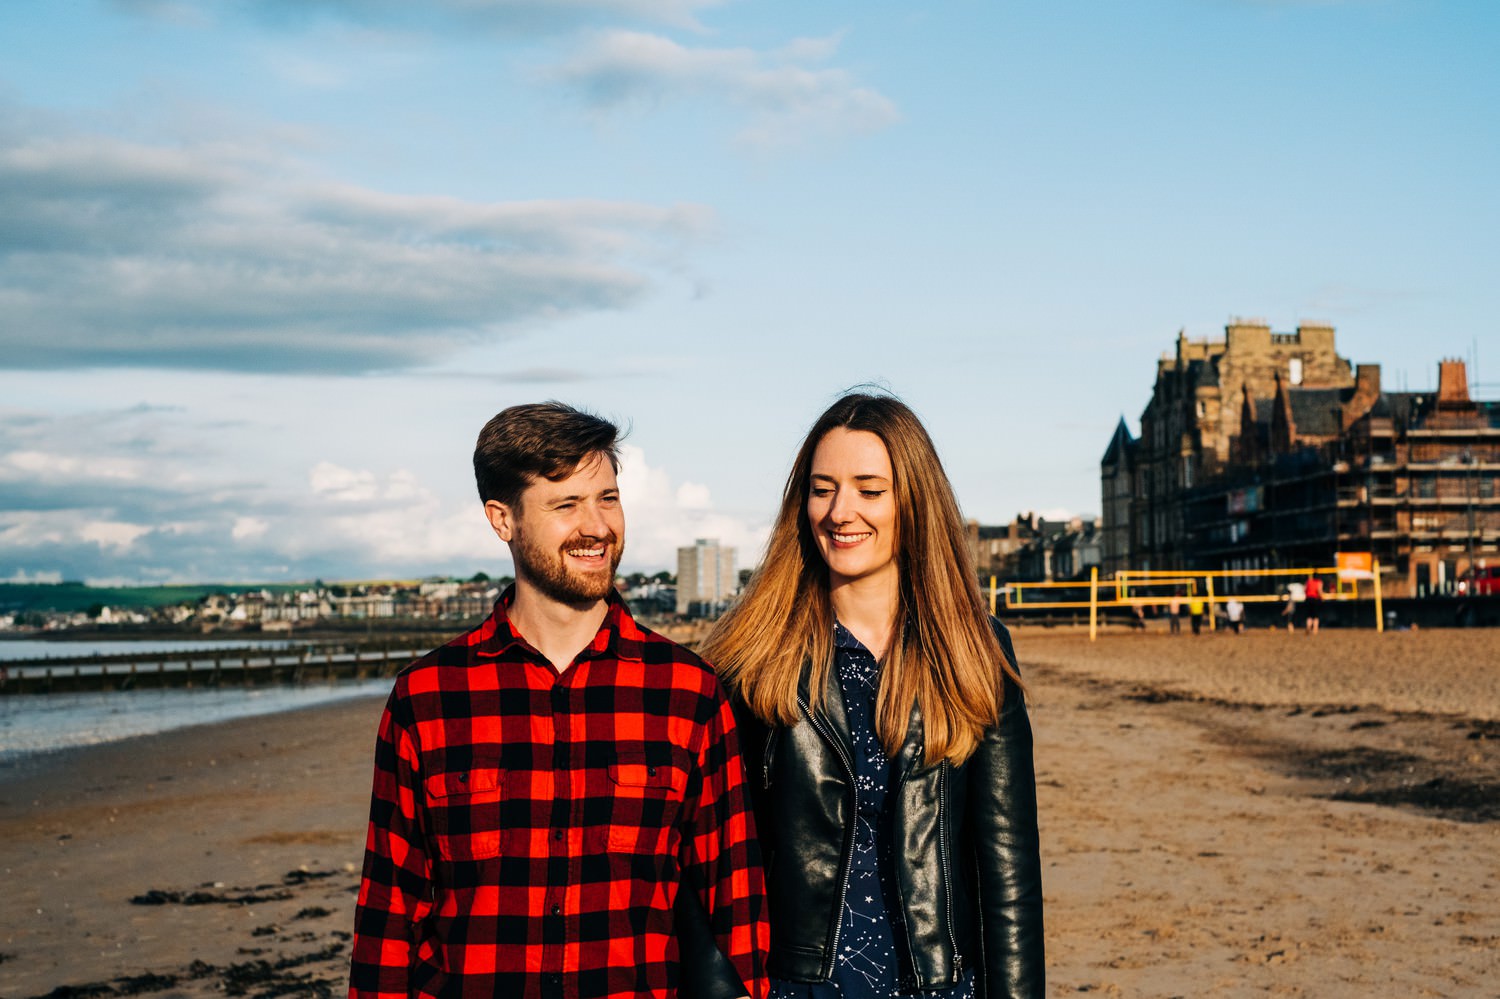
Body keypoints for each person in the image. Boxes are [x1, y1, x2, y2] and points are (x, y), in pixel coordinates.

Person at [350, 402, 769, 999]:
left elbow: (737, 910)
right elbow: (390, 918)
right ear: (502, 520)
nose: (596, 525)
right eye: (566, 504)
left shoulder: (688, 694)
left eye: (608, 498)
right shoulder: (426, 699)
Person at [690, 392, 1044, 999]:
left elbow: (1008, 872)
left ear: (914, 502)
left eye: (869, 489)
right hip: (800, 987)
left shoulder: (975, 651)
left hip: (941, 987)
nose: (840, 511)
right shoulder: (751, 659)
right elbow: (709, 870)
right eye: (822, 488)